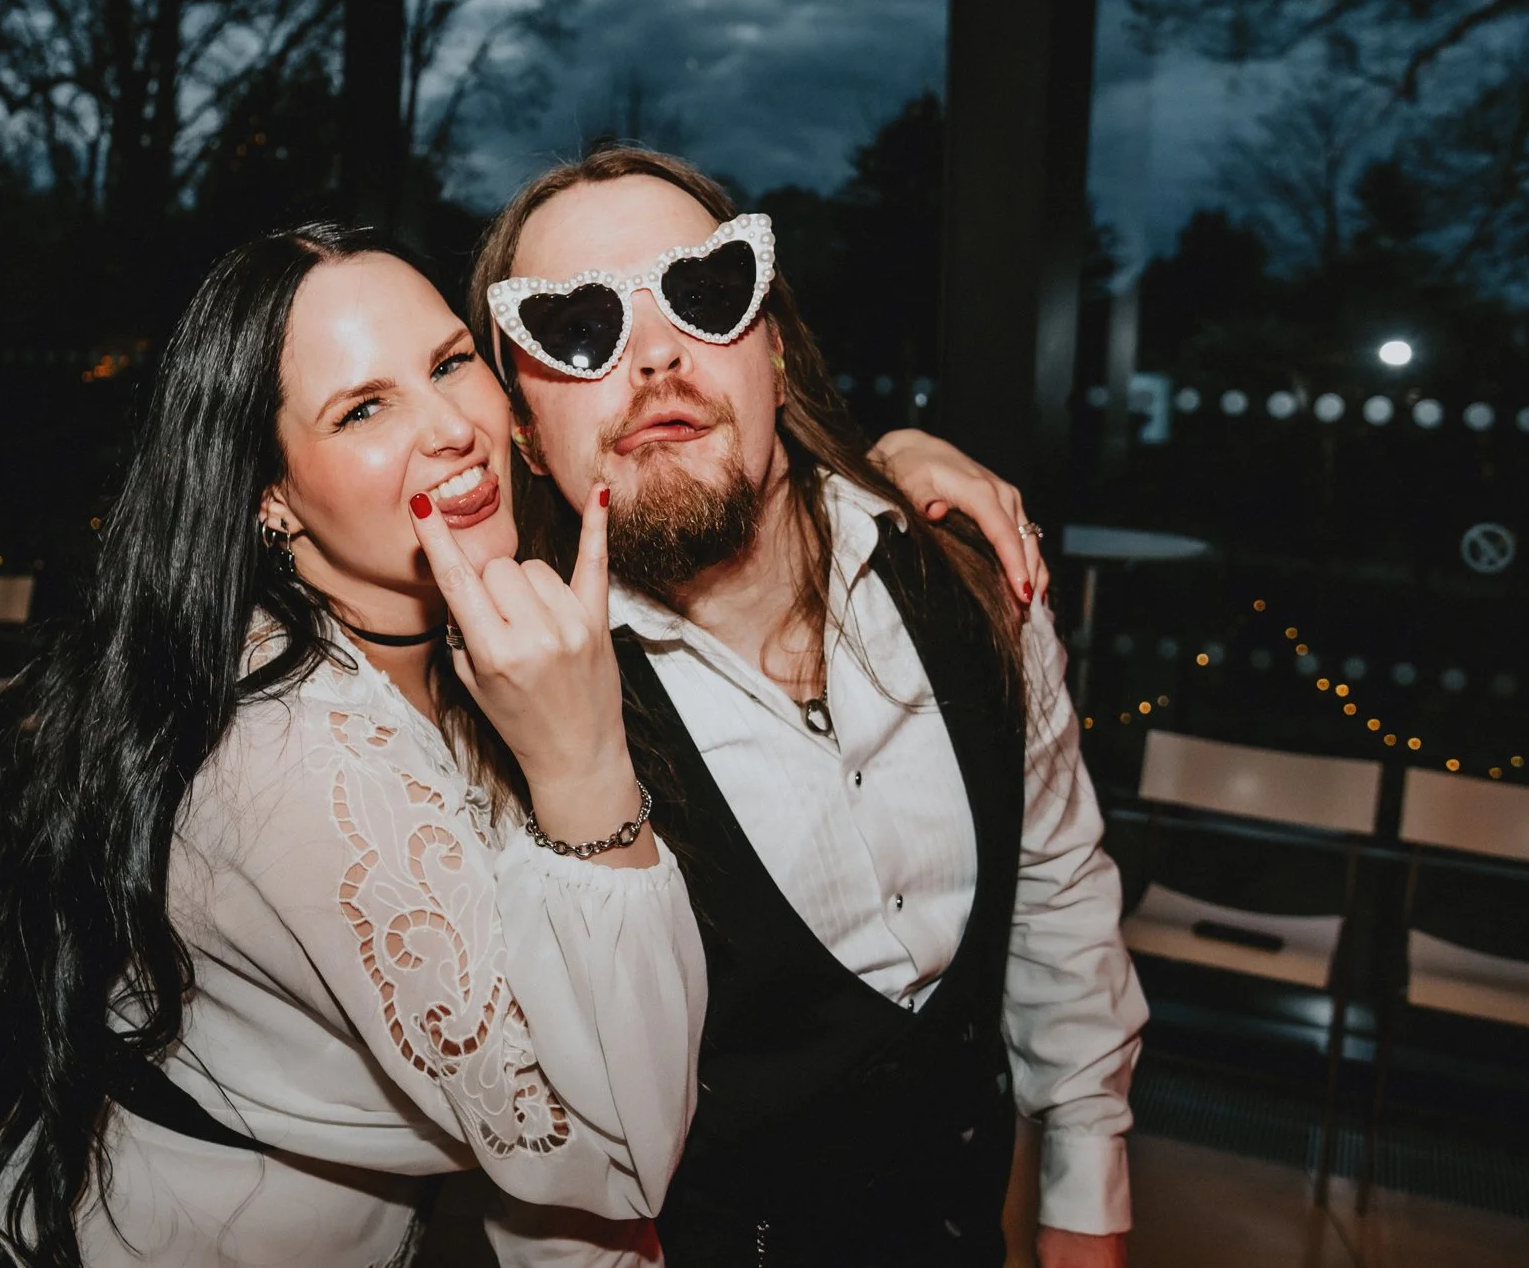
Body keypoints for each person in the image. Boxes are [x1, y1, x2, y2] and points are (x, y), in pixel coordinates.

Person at [0, 220, 1042, 1268]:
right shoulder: (295, 753)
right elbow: (613, 1159)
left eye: (450, 364)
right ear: (267, 496)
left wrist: (882, 465)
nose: (450, 428)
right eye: (362, 409)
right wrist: (584, 763)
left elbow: (677, 472)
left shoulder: (453, 608)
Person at [473, 149, 1149, 1267]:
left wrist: (1085, 1190)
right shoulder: (515, 721)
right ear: (522, 428)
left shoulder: (973, 578)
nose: (653, 356)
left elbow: (1058, 890)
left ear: (773, 358)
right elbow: (558, 1162)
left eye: (702, 292)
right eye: (575, 328)